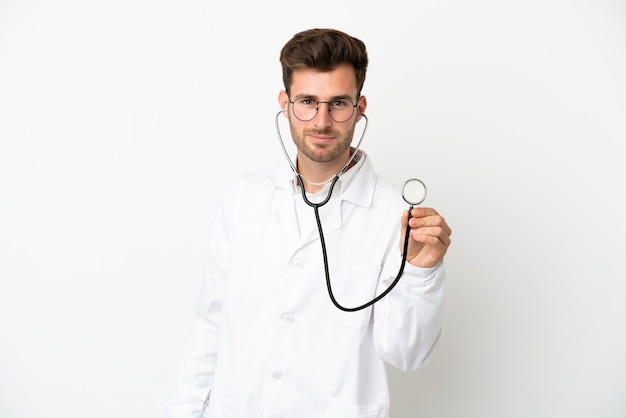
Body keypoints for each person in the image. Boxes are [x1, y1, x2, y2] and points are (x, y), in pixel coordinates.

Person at [166, 28, 452, 418]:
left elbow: (407, 354)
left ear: (360, 106)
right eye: (307, 102)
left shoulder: (395, 217)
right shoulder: (244, 198)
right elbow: (210, 327)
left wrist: (422, 271)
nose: (321, 121)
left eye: (338, 103)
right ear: (285, 103)